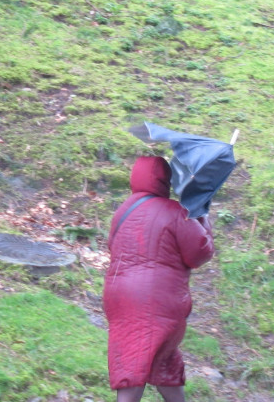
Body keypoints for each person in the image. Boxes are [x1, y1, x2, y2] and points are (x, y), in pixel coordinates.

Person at [102, 156, 215, 402]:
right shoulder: (175, 212)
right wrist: (202, 215)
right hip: (155, 300)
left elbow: (114, 247)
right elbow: (200, 253)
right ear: (165, 180)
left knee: (160, 358)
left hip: (118, 296)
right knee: (138, 362)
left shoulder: (123, 210)